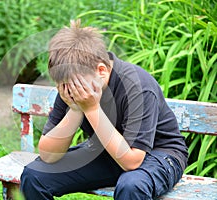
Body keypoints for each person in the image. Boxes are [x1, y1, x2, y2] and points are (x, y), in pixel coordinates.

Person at [20, 19, 188, 200]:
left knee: (131, 186)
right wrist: (76, 110)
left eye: (76, 86)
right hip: (107, 151)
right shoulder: (72, 83)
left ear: (101, 70)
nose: (72, 91)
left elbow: (132, 161)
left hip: (158, 153)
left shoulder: (137, 86)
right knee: (34, 175)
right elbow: (48, 155)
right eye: (65, 86)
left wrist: (91, 109)